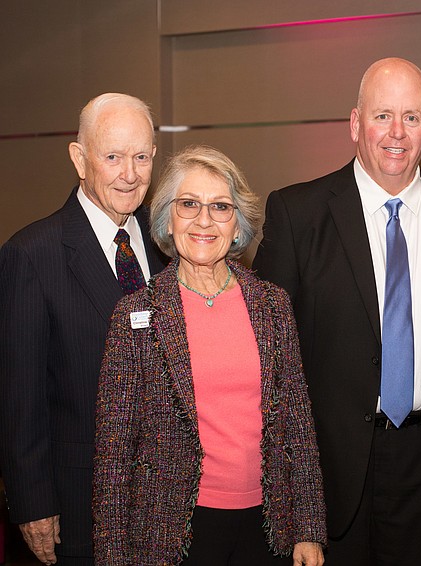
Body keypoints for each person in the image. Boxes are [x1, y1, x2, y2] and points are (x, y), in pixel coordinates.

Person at [253, 57, 421, 565]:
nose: (397, 132)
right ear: (355, 124)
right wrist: (295, 501)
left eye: (412, 117)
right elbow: (270, 369)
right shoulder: (297, 214)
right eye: (383, 115)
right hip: (330, 478)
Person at [92, 145, 326, 565]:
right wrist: (112, 557)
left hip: (268, 527)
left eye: (220, 206)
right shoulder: (135, 315)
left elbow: (298, 427)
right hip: (171, 531)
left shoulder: (272, 306)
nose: (204, 220)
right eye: (188, 204)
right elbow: (114, 454)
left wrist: (309, 529)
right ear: (167, 217)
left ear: (237, 224)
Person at [0, 93, 166, 565]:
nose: (128, 174)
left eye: (140, 157)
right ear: (79, 158)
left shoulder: (166, 248)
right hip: (78, 505)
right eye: (112, 157)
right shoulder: (32, 254)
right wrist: (32, 504)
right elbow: (18, 398)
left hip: (165, 504)